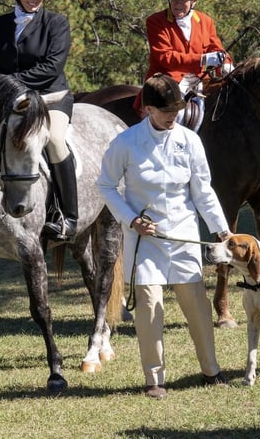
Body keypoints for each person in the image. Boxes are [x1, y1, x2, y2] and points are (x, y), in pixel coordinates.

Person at [97, 73, 231, 399]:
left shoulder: (190, 140)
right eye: (167, 111)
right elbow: (106, 186)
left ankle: (210, 370)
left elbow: (202, 191)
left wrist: (221, 229)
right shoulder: (125, 143)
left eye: (177, 110)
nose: (174, 116)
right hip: (144, 239)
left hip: (184, 234)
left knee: (197, 305)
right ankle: (154, 377)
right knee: (150, 305)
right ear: (147, 109)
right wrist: (131, 220)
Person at [0, 0, 77, 242]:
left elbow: (50, 68)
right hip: (8, 101)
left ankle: (67, 216)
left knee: (55, 140)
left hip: (50, 97)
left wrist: (6, 85)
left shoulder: (56, 24)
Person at [133, 0, 233, 130]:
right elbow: (164, 57)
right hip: (165, 81)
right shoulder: (156, 21)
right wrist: (203, 60)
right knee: (174, 115)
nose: (177, 4)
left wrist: (226, 63)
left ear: (194, 0)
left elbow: (216, 48)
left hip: (198, 81)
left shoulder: (205, 21)